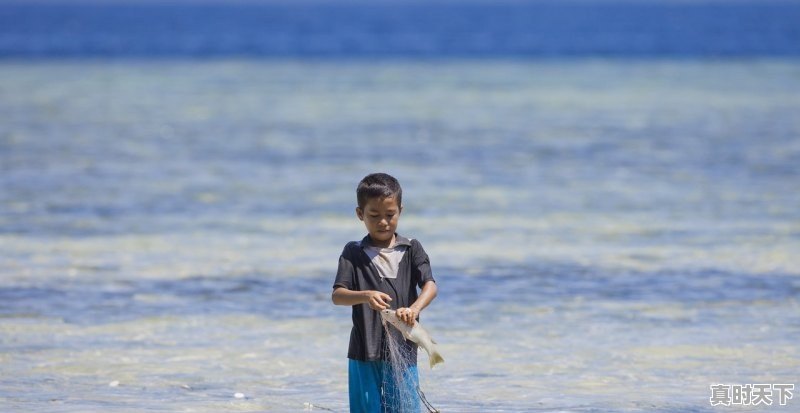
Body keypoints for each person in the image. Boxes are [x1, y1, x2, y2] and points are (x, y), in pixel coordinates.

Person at [332, 172, 438, 413]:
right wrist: (365, 296)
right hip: (363, 349)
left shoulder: (411, 248)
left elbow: (430, 286)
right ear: (360, 214)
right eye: (374, 215)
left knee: (405, 408)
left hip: (404, 345)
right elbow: (338, 295)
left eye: (390, 215)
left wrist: (414, 308)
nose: (383, 222)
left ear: (400, 210)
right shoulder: (353, 252)